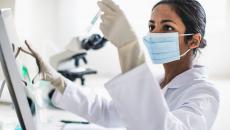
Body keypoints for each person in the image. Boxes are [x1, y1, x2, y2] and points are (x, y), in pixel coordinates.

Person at [22, 0, 219, 129]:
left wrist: (128, 47)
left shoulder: (204, 93)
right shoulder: (159, 81)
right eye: (152, 26)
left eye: (167, 27)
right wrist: (58, 81)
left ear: (193, 40)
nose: (155, 34)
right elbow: (107, 112)